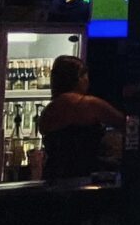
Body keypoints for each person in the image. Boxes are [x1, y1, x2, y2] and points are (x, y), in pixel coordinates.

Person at [33, 54, 126, 183]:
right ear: (78, 78)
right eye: (85, 75)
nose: (88, 80)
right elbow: (126, 124)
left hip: (53, 178)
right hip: (84, 177)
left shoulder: (48, 111)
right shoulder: (89, 104)